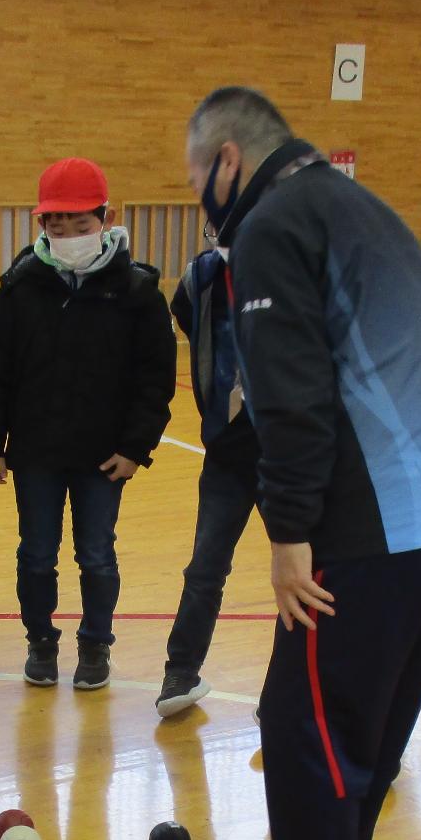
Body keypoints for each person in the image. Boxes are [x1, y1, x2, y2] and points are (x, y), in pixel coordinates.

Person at [186, 87, 421, 840]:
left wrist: (289, 533)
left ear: (230, 160)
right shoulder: (364, 207)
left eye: (196, 174)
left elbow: (293, 398)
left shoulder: (271, 226)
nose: (200, 189)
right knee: (368, 717)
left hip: (369, 522)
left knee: (304, 717)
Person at [0, 157, 176, 691]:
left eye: (80, 224)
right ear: (41, 225)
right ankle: (40, 641)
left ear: (105, 218)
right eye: (55, 225)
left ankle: (95, 644)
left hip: (103, 457)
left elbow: (155, 379)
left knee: (97, 555)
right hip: (35, 453)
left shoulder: (136, 293)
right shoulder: (18, 288)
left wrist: (135, 447)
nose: (67, 234)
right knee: (36, 554)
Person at [155, 237, 261, 718]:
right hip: (227, 451)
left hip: (297, 456)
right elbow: (187, 318)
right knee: (205, 568)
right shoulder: (200, 278)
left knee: (310, 574)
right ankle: (181, 670)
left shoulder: (306, 267)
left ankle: (293, 688)